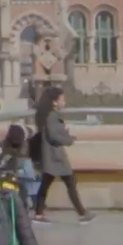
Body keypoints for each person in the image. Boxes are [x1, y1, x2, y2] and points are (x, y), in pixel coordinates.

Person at [32, 86, 93, 225]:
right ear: (54, 102)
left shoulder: (50, 115)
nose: (64, 103)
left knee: (46, 184)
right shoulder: (52, 116)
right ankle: (82, 213)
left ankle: (38, 213)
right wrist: (69, 139)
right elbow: (53, 136)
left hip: (52, 156)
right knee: (70, 183)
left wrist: (66, 133)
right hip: (55, 156)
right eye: (62, 100)